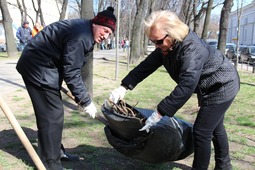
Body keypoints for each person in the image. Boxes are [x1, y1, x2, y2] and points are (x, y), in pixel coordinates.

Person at [109, 10, 239, 170]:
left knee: (201, 131)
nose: (156, 46)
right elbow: (146, 66)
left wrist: (160, 112)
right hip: (206, 86)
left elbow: (187, 85)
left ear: (172, 34)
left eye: (158, 41)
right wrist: (124, 86)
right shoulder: (167, 47)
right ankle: (224, 166)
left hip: (221, 85)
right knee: (215, 126)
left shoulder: (191, 49)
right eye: (152, 41)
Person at [16, 6, 116, 170]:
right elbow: (71, 71)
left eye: (109, 34)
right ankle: (51, 163)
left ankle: (56, 153)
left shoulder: (84, 30)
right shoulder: (81, 36)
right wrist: (85, 100)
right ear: (96, 23)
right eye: (105, 31)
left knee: (52, 114)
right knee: (51, 116)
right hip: (36, 67)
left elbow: (69, 62)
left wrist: (82, 97)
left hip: (45, 66)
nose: (105, 36)